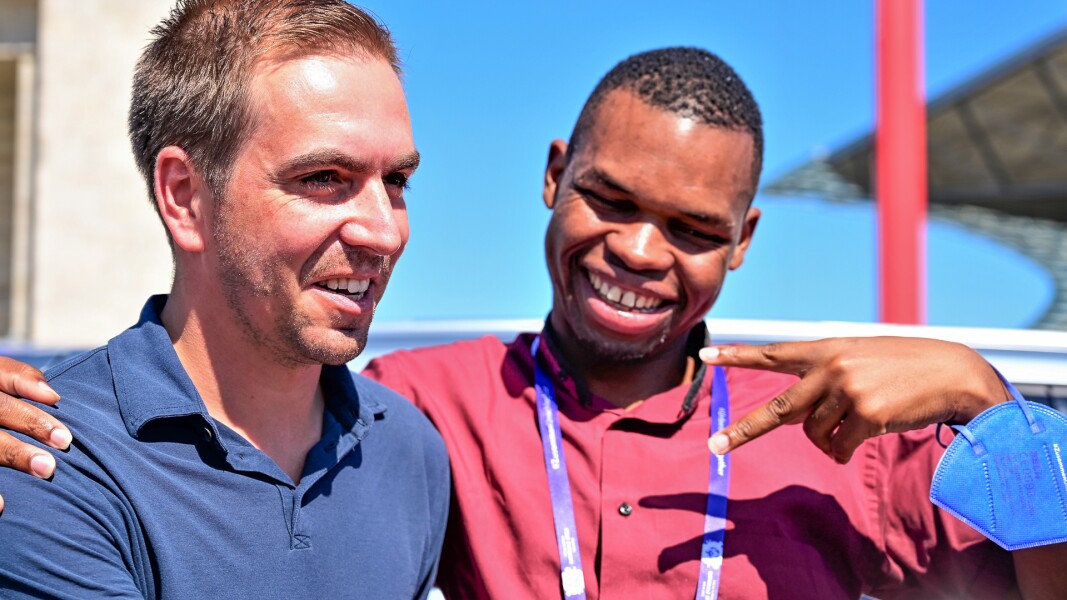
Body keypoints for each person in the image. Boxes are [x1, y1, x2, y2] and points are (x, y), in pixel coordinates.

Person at [0, 41, 1064, 600]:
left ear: (739, 243)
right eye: (610, 199)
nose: (640, 251)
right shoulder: (416, 414)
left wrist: (991, 405)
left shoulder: (844, 437)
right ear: (555, 177)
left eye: (691, 228)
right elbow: (217, 390)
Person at [0, 1, 449, 598]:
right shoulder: (50, 460)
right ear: (185, 198)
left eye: (395, 181)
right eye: (323, 178)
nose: (385, 232)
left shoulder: (409, 455)